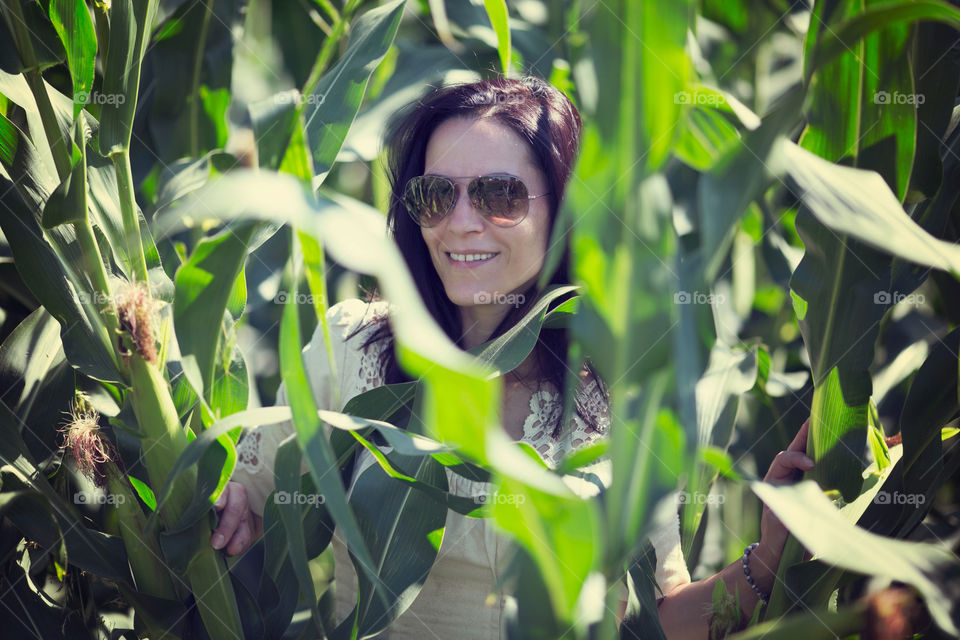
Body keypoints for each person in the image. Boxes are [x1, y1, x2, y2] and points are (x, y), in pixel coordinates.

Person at [210, 76, 815, 638]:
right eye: (435, 195)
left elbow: (658, 618)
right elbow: (251, 493)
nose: (462, 223)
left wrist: (768, 555)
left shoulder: (618, 394)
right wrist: (223, 495)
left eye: (500, 195)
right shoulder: (351, 347)